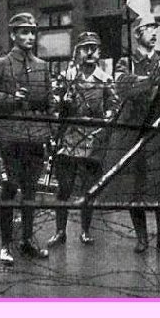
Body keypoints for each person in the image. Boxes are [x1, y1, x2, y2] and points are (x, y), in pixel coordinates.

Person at [0, 12, 51, 266]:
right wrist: (11, 99)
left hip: (35, 139)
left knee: (31, 192)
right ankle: (5, 245)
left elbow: (49, 103)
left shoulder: (42, 66)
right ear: (12, 35)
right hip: (10, 139)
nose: (29, 36)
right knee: (9, 191)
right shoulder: (2, 64)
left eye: (32, 32)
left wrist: (52, 114)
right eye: (23, 32)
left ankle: (27, 239)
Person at [107, 14, 160, 256]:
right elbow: (124, 87)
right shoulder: (126, 62)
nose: (154, 32)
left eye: (155, 28)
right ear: (137, 34)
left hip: (158, 130)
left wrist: (156, 84)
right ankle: (141, 238)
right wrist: (150, 82)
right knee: (135, 186)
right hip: (135, 131)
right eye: (148, 28)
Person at [47, 32, 118, 247]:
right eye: (85, 48)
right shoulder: (67, 76)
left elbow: (114, 108)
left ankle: (85, 230)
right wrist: (62, 102)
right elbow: (52, 103)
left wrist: (104, 124)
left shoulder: (105, 79)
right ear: (78, 51)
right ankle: (60, 231)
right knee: (64, 188)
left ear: (99, 52)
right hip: (68, 138)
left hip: (92, 140)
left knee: (88, 189)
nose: (89, 52)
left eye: (94, 48)